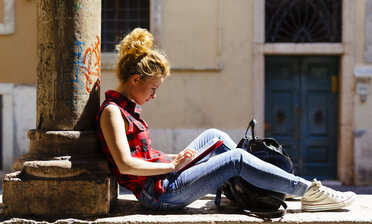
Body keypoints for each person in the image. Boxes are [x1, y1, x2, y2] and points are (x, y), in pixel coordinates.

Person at [96, 28, 356, 212]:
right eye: (153, 89)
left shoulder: (126, 109)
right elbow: (126, 164)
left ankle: (259, 184)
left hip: (164, 178)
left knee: (214, 135)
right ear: (135, 80)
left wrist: (173, 159)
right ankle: (308, 191)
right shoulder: (112, 112)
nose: (154, 96)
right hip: (158, 194)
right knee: (236, 159)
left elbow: (144, 156)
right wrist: (173, 165)